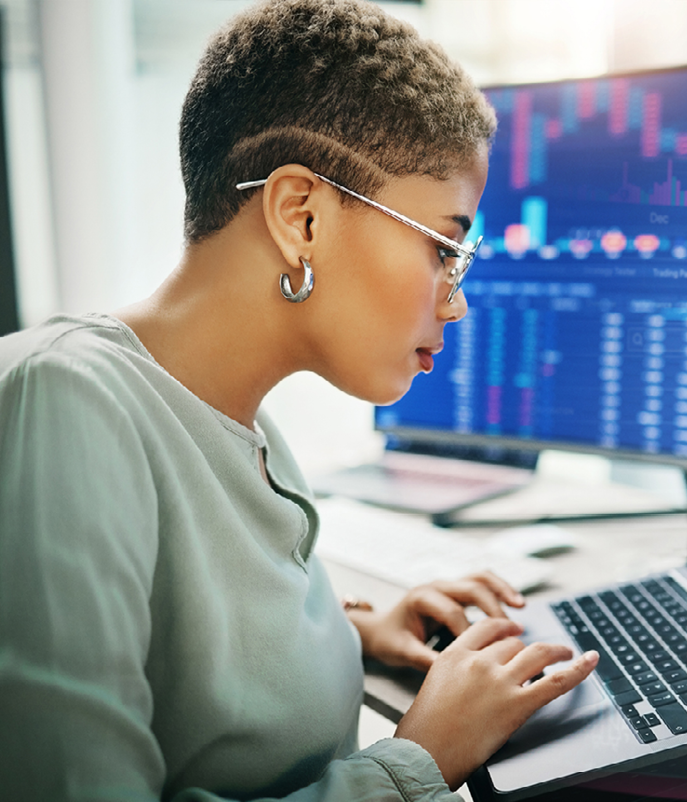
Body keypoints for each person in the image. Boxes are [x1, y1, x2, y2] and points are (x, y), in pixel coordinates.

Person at [0, 1, 598, 799]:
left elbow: (179, 643)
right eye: (445, 248)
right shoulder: (67, 405)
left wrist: (351, 631)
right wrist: (417, 761)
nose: (456, 303)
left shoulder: (242, 425)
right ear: (300, 216)